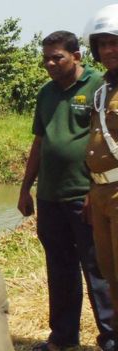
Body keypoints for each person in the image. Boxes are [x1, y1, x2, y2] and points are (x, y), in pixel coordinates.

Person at [17, 30, 115, 351]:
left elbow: (103, 141)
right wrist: (25, 188)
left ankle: (110, 338)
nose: (49, 63)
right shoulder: (46, 93)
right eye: (46, 57)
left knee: (98, 268)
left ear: (76, 56)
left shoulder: (99, 86)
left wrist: (93, 190)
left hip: (85, 194)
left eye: (57, 57)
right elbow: (40, 141)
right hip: (50, 195)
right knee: (59, 268)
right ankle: (63, 337)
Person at [84, 5, 118, 348]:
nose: (109, 50)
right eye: (103, 44)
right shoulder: (103, 90)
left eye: (116, 43)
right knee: (110, 275)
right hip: (101, 194)